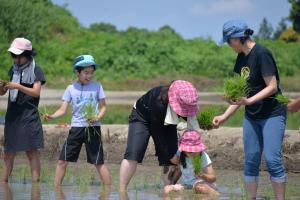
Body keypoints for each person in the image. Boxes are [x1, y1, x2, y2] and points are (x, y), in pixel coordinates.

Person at [213, 20, 287, 200]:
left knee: (272, 160)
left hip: (272, 113)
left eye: (229, 41)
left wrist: (249, 101)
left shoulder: (262, 53)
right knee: (251, 160)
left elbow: (272, 86)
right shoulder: (241, 59)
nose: (229, 45)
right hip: (252, 116)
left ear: (237, 38)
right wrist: (224, 116)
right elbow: (240, 95)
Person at [119, 80, 201, 191]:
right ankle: (122, 190)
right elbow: (157, 133)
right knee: (134, 152)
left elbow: (192, 123)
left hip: (168, 120)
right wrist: (170, 156)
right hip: (142, 117)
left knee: (172, 156)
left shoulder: (185, 102)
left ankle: (168, 188)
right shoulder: (159, 102)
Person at [44, 55, 111, 188]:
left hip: (93, 128)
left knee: (98, 162)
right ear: (77, 72)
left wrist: (98, 117)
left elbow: (103, 106)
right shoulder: (70, 88)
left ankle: (109, 190)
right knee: (62, 161)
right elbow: (62, 109)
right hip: (76, 128)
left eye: (91, 72)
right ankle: (57, 190)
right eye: (86, 72)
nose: (89, 75)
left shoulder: (97, 86)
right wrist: (52, 116)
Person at [0, 38, 46, 182]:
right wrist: (2, 86)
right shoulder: (13, 69)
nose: (16, 59)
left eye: (18, 55)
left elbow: (36, 92)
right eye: (13, 55)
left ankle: (35, 188)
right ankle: (3, 185)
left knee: (31, 152)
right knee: (8, 153)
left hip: (29, 117)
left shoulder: (36, 70)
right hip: (13, 117)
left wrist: (18, 86)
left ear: (27, 54)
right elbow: (3, 93)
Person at [164, 130, 219, 197]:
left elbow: (213, 178)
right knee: (167, 189)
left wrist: (202, 175)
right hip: (188, 186)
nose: (193, 154)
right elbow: (174, 162)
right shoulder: (181, 154)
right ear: (184, 150)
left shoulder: (203, 156)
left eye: (195, 151)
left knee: (198, 187)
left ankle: (217, 195)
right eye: (190, 152)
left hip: (203, 184)